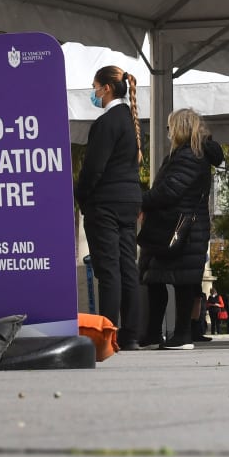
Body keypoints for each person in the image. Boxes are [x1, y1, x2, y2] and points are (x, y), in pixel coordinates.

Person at [137, 108, 224, 350]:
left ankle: (183, 335)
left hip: (181, 228)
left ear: (181, 128)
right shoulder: (187, 154)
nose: (168, 132)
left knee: (183, 282)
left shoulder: (190, 155)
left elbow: (170, 190)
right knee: (155, 279)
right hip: (176, 226)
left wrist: (141, 199)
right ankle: (154, 332)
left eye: (170, 127)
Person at [75, 66, 143, 351]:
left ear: (106, 88)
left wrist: (81, 196)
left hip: (106, 203)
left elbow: (93, 168)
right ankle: (131, 334)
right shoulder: (131, 121)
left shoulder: (106, 124)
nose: (94, 92)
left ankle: (107, 335)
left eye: (95, 86)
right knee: (129, 268)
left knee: (109, 271)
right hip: (129, 201)